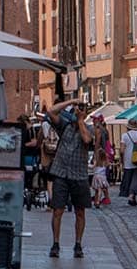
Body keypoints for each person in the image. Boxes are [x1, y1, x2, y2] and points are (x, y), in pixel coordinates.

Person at [45, 98, 94, 259]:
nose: (78, 110)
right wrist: (71, 101)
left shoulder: (89, 128)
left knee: (80, 211)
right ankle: (55, 243)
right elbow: (51, 111)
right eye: (77, 108)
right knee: (57, 210)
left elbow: (87, 140)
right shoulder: (64, 126)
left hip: (79, 175)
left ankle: (78, 244)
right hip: (61, 173)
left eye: (82, 108)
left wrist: (80, 121)